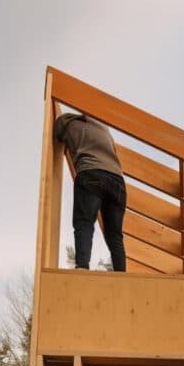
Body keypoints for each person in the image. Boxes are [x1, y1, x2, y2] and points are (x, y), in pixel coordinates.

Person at [54, 113, 126, 272]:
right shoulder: (104, 128)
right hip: (117, 181)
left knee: (84, 222)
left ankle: (82, 267)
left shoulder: (70, 124)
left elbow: (57, 131)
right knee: (115, 234)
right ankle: (122, 275)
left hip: (91, 172)